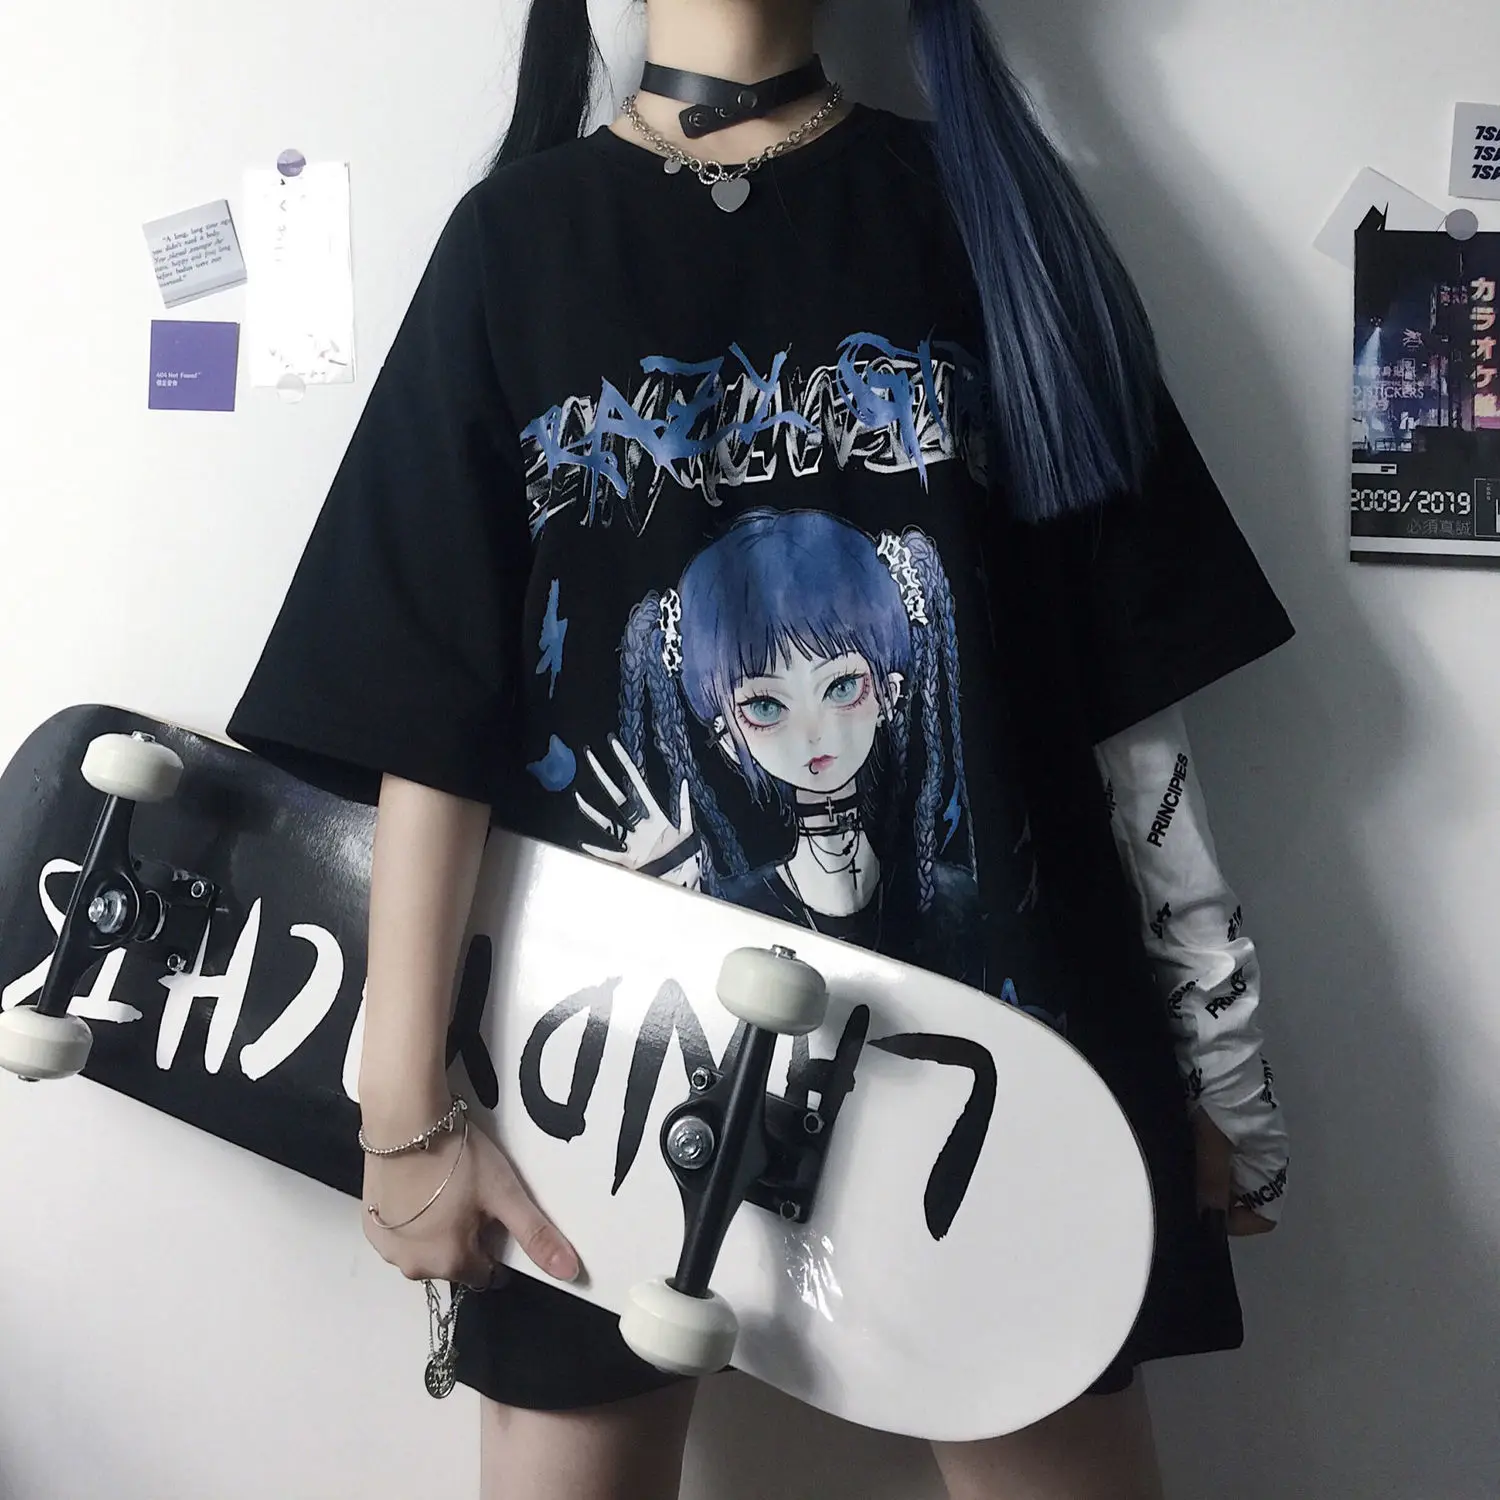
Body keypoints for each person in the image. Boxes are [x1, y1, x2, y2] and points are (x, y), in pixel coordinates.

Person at [227, 0, 1294, 1495]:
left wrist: (1220, 1068)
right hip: (606, 1062)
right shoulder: (516, 245)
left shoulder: (986, 211)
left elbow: (1130, 702)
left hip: (992, 1073)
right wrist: (401, 1111)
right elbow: (429, 704)